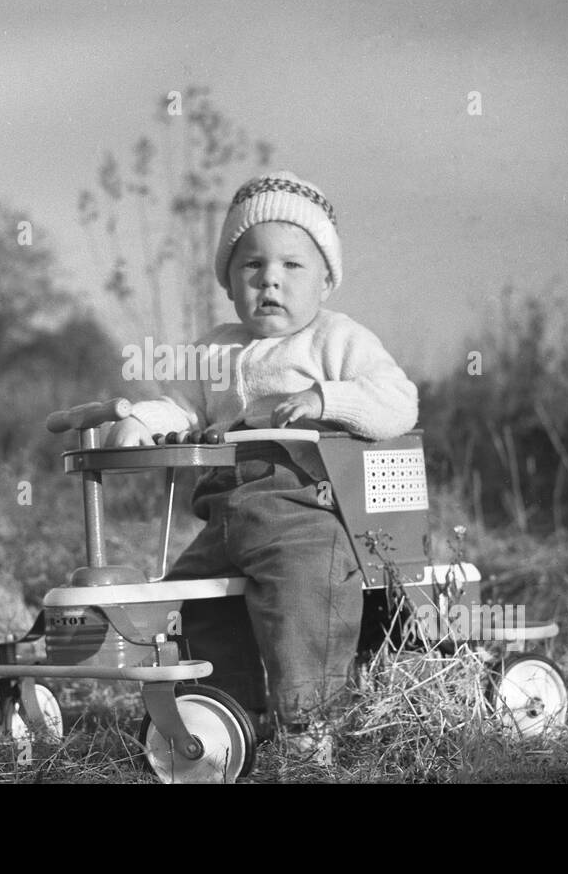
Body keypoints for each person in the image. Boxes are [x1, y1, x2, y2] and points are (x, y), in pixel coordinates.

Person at [106, 171, 418, 761]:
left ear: (326, 280)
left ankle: (306, 725)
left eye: (293, 267)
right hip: (224, 516)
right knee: (192, 602)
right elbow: (178, 404)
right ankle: (227, 715)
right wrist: (143, 420)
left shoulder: (336, 340)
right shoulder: (214, 350)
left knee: (305, 598)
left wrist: (328, 399)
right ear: (228, 280)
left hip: (305, 509)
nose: (270, 279)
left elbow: (398, 401)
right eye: (251, 265)